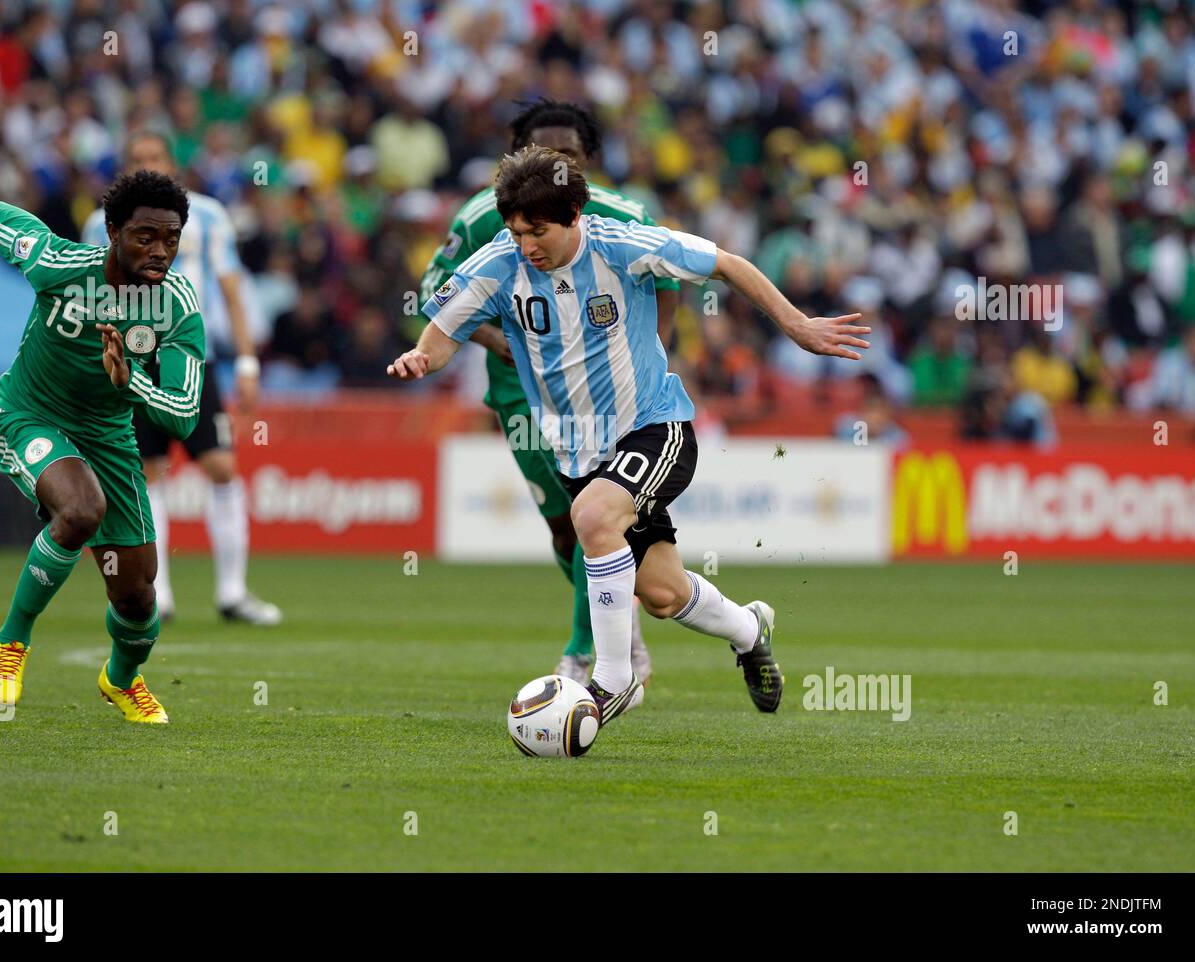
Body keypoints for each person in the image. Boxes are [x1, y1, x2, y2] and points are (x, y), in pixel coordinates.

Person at [391, 146, 871, 724]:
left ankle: (611, 681)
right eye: (517, 232)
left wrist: (797, 325)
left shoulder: (623, 244)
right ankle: (750, 628)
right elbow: (440, 333)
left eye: (537, 231)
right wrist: (421, 359)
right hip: (577, 453)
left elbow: (726, 263)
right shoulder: (497, 264)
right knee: (664, 594)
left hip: (654, 428)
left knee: (592, 519)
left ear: (573, 213)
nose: (527, 246)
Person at [0, 171, 206, 723]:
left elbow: (184, 415)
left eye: (172, 238)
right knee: (80, 510)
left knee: (139, 598)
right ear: (113, 231)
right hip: (30, 415)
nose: (160, 250)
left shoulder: (177, 306)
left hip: (110, 436)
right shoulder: (60, 265)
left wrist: (129, 384)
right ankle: (12, 642)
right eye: (145, 236)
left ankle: (120, 679)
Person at [418, 99, 679, 685]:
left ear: (588, 164)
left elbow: (669, 284)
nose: (557, 167)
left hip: (611, 395)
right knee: (565, 524)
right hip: (522, 392)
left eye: (570, 156)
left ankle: (588, 650)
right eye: (544, 154)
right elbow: (434, 292)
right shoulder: (483, 218)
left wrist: (655, 356)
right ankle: (621, 632)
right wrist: (491, 337)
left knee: (598, 517)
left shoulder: (624, 215)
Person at [83, 130, 281, 626]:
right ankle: (159, 595)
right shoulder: (100, 223)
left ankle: (232, 592)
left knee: (221, 466)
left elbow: (232, 290)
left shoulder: (209, 215)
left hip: (194, 356)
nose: (148, 164)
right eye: (138, 158)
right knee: (148, 474)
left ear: (172, 163)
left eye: (156, 156)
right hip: (128, 359)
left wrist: (247, 363)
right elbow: (87, 293)